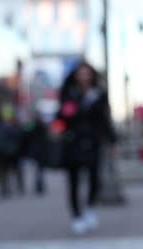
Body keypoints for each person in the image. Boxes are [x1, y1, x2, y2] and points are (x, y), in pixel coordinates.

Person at [57, 62, 116, 235]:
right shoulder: (68, 93)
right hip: (72, 142)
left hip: (93, 141)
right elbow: (61, 117)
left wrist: (112, 142)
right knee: (73, 181)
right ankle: (76, 216)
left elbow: (105, 119)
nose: (84, 77)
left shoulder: (99, 94)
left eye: (87, 73)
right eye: (80, 73)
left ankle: (89, 207)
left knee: (94, 178)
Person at [0, 104, 23, 198]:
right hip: (4, 151)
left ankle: (5, 187)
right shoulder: (4, 124)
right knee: (3, 169)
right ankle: (4, 187)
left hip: (6, 151)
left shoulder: (1, 124)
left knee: (4, 169)